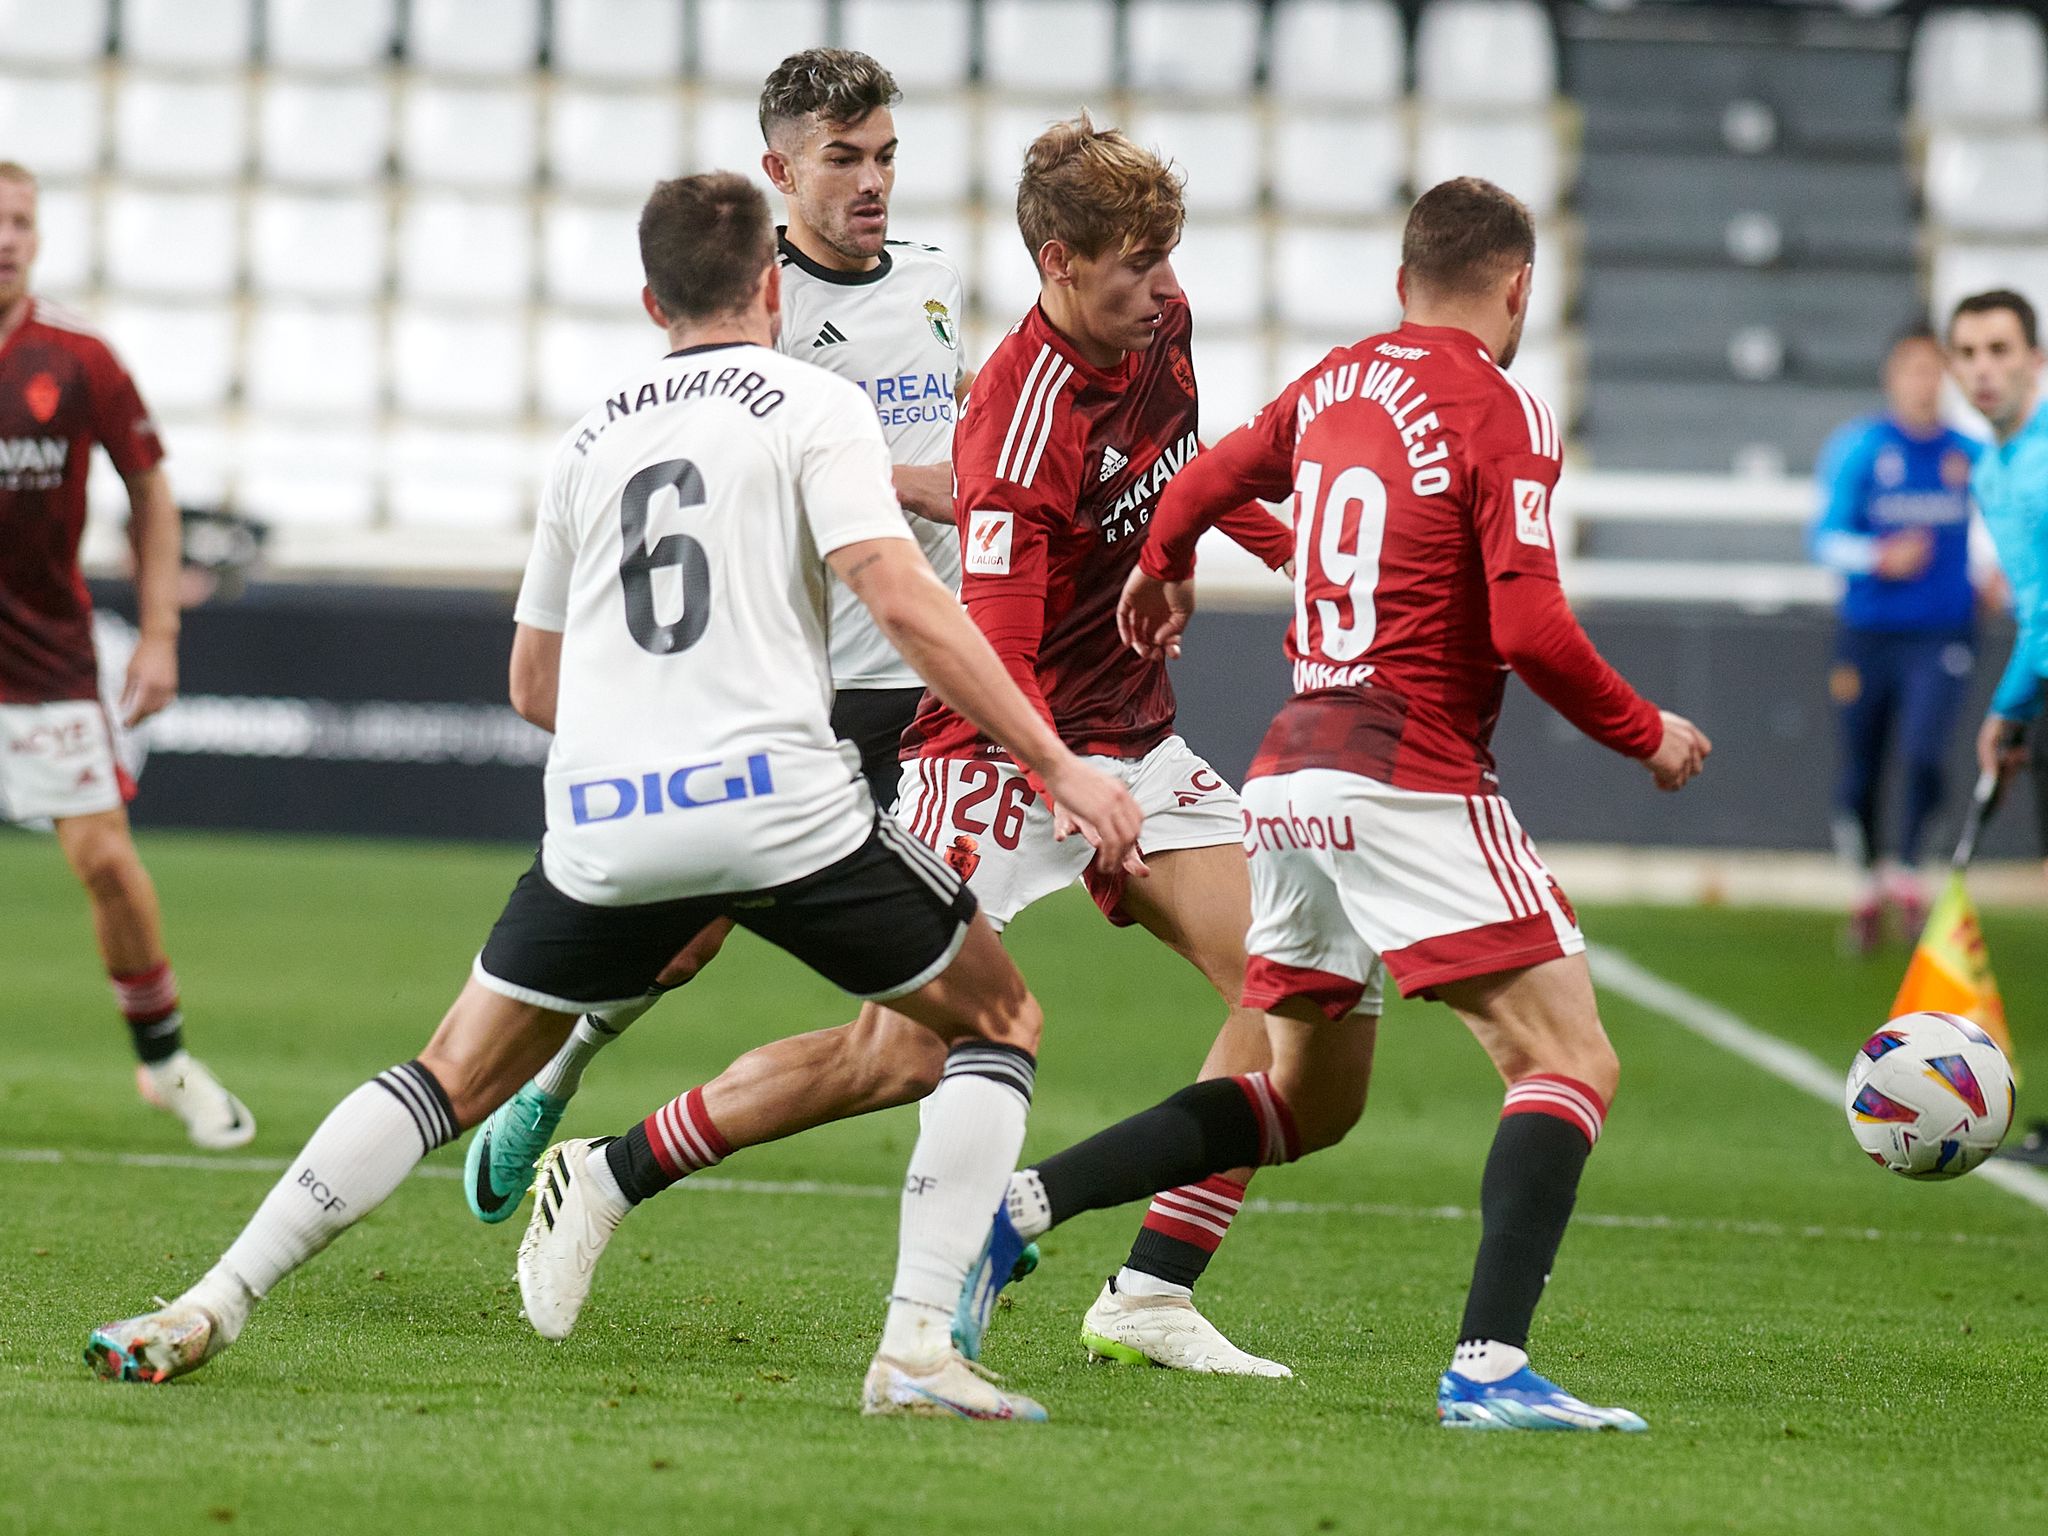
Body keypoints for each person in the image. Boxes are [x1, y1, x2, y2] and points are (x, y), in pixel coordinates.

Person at [84, 171, 1143, 1425]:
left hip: (605, 815)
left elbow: (534, 683)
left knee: (446, 1074)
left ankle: (211, 1298)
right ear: (768, 286)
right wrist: (1057, 759)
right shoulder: (814, 402)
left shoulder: (590, 438)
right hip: (775, 804)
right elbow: (903, 596)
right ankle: (915, 1347)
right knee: (996, 1018)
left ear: (650, 299)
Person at [513, 115, 1306, 1377]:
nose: (1162, 291)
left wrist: (1277, 548)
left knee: (1290, 986)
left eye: (1167, 260)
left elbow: (1178, 466)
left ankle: (1151, 1290)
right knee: (898, 1056)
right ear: (1056, 262)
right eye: (1133, 268)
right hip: (997, 756)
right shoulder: (1015, 417)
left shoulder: (1165, 322)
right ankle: (610, 1172)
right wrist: (1061, 772)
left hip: (1129, 738)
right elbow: (989, 640)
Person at [959, 177, 1711, 1432]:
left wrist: (1160, 567)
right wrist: (1646, 734)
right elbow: (1526, 625)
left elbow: (1202, 478)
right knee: (1568, 1059)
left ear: (1400, 278)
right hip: (1405, 770)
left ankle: (1016, 1210)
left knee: (1310, 1103)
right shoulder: (1501, 404)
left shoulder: (1338, 379)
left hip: (1291, 775)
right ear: (1517, 287)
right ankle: (1486, 1370)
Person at [462, 48, 974, 1224]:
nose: (871, 183)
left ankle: (970, 1224)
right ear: (779, 171)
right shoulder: (756, 316)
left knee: (940, 1003)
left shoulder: (935, 279)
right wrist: (914, 483)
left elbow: (960, 416)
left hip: (929, 684)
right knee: (684, 947)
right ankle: (555, 1075)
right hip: (805, 682)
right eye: (841, 159)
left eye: (885, 156)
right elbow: (740, 475)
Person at [0, 160, 252, 1149]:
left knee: (105, 861)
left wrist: (159, 632)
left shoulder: (78, 357)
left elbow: (149, 489)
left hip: (44, 656)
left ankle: (165, 1062)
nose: (7, 236)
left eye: (21, 220)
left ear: (40, 236)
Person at [1809, 326, 1983, 951]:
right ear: (1892, 377)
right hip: (1870, 633)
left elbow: (1999, 528)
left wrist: (1993, 574)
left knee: (1926, 752)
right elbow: (1823, 538)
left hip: (1943, 634)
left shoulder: (1969, 454)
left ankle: (1909, 877)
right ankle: (1864, 885)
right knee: (1863, 761)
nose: (1924, 383)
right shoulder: (1860, 449)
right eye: (1913, 369)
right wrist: (1878, 556)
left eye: (1934, 370)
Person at [1947, 288, 2048, 1164]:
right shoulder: (1992, 468)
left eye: (1999, 349)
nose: (1984, 367)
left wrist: (2009, 705)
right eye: (1968, 352)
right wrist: (2016, 711)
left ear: (2034, 358)